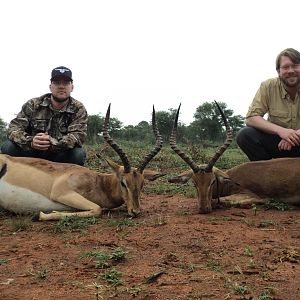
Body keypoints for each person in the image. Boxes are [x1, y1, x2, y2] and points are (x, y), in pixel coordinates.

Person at [0, 66, 88, 165]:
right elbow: (13, 128)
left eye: (66, 83)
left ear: (72, 87)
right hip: (31, 151)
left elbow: (77, 137)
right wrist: (31, 141)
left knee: (78, 154)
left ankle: (66, 180)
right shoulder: (33, 104)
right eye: (57, 83)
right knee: (8, 147)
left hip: (59, 154)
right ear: (50, 87)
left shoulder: (78, 109)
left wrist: (52, 143)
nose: (61, 86)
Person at [237, 48, 300, 161]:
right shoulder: (268, 86)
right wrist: (282, 131)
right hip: (278, 144)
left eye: (295, 65)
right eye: (285, 67)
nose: (290, 70)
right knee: (245, 135)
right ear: (278, 71)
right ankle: (266, 174)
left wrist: (294, 136)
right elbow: (251, 118)